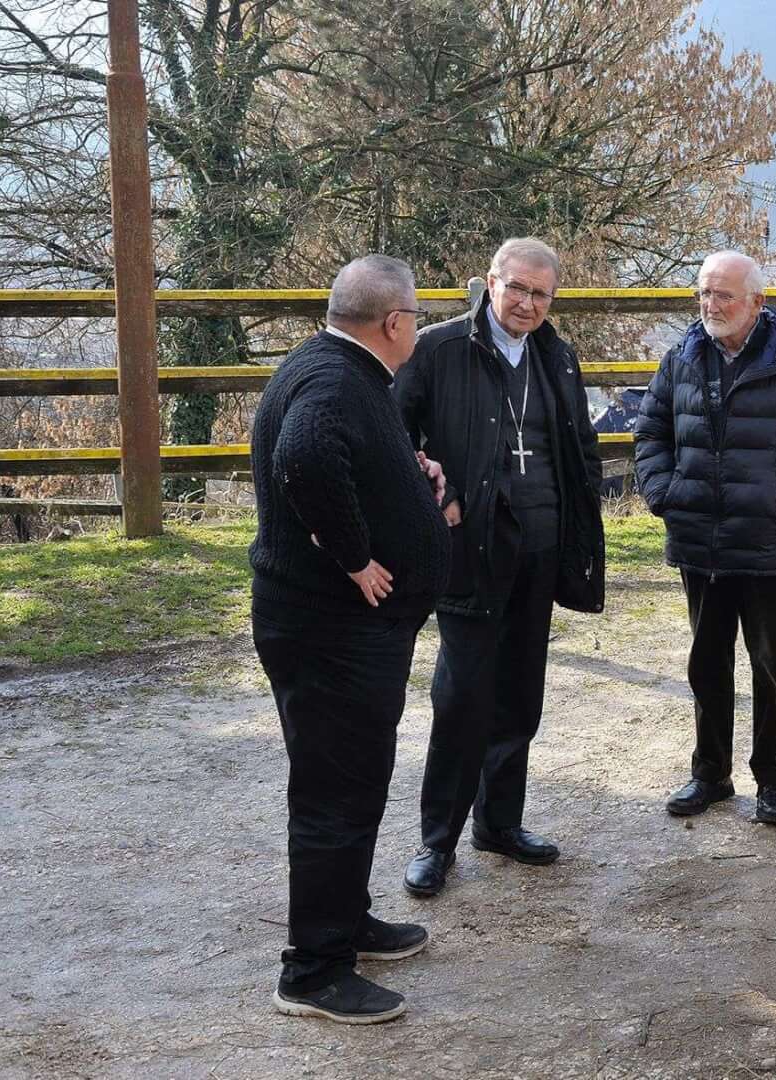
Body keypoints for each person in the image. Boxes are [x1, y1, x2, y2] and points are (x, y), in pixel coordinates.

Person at [249, 253, 450, 1024]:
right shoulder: (335, 381)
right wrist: (356, 557)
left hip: (336, 630)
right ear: (394, 322)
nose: (418, 329)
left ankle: (346, 921)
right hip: (329, 631)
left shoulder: (334, 366)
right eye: (417, 317)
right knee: (335, 793)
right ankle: (313, 971)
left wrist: (410, 472)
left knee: (354, 783)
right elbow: (304, 457)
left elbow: (344, 455)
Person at [394, 237, 605, 898]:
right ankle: (437, 842)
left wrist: (580, 531)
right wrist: (436, 497)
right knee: (462, 697)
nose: (527, 304)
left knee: (519, 693)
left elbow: (580, 448)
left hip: (540, 547)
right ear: (490, 282)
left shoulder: (556, 356)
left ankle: (500, 823)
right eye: (517, 288)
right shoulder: (438, 349)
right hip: (471, 549)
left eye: (541, 294)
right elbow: (391, 436)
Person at [634, 250, 776, 826]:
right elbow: (650, 431)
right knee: (706, 663)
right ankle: (710, 774)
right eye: (704, 293)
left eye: (723, 294)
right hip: (700, 541)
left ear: (757, 301)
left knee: (769, 665)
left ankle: (773, 782)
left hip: (769, 543)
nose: (711, 305)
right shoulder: (682, 357)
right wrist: (664, 494)